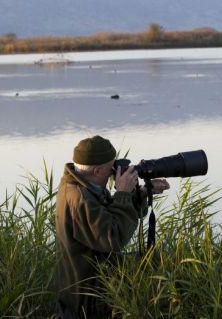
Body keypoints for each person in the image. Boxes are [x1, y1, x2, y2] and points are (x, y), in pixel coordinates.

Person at [55, 135, 169, 318]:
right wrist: (122, 193)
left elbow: (107, 215)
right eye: (111, 168)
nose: (115, 171)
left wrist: (140, 193)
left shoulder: (84, 186)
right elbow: (113, 237)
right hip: (88, 301)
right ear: (97, 170)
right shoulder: (80, 198)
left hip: (94, 284)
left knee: (156, 258)